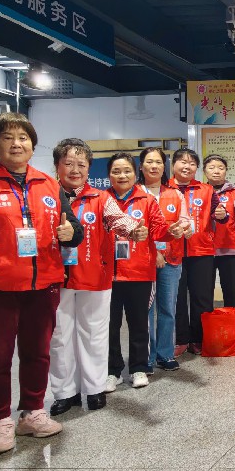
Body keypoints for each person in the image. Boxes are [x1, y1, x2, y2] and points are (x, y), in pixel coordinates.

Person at [0, 112, 81, 455]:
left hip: (42, 285)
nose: (16, 144)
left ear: (32, 144)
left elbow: (73, 230)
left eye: (23, 138)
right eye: (8, 137)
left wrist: (71, 232)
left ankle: (32, 412)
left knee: (37, 353)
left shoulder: (50, 184)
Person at [49, 139, 143, 416]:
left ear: (90, 168)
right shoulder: (46, 196)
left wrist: (133, 228)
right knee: (59, 336)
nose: (75, 169)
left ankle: (94, 388)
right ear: (57, 166)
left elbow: (118, 219)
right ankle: (65, 393)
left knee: (94, 334)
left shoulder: (101, 198)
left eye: (81, 164)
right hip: (55, 279)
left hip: (95, 276)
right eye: (68, 163)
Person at [105, 153, 178, 392]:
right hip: (107, 275)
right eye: (116, 171)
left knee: (139, 323)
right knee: (110, 324)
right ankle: (112, 370)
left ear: (135, 174)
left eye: (126, 170)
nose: (122, 175)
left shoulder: (146, 200)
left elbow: (158, 229)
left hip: (139, 272)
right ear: (109, 175)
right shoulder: (102, 199)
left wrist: (171, 231)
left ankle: (138, 367)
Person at [170, 149, 227, 356]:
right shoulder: (165, 188)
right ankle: (180, 339)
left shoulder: (206, 189)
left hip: (201, 250)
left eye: (192, 163)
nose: (187, 166)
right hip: (172, 252)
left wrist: (221, 214)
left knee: (202, 298)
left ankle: (199, 339)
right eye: (182, 162)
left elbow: (219, 214)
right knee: (176, 298)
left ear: (197, 168)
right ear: (173, 165)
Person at [140, 147, 190, 372]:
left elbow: (185, 220)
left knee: (168, 308)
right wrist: (154, 252)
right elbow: (133, 229)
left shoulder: (175, 194)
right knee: (146, 311)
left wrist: (185, 228)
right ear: (141, 166)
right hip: (144, 261)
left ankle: (165, 354)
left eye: (158, 162)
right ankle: (147, 358)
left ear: (164, 167)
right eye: (149, 162)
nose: (154, 166)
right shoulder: (135, 194)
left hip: (172, 259)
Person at [204, 154, 235, 308]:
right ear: (205, 172)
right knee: (205, 292)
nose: (216, 171)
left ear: (226, 171)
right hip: (205, 250)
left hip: (230, 249)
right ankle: (207, 327)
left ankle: (232, 327)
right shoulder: (201, 192)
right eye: (212, 168)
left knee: (230, 292)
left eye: (221, 168)